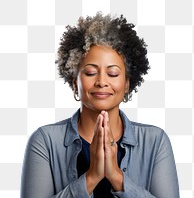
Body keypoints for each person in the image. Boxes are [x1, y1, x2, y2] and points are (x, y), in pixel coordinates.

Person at [21, 12, 180, 198]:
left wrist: (117, 177)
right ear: (75, 82)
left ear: (127, 83)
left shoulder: (155, 141)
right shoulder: (44, 141)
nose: (102, 81)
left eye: (112, 73)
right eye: (90, 72)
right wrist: (91, 178)